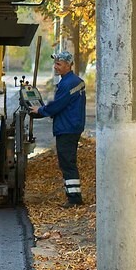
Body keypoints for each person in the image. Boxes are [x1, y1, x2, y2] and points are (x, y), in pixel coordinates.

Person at [31, 49, 87, 207]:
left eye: (59, 64)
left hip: (67, 128)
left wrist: (40, 110)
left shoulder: (67, 84)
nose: (55, 66)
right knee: (68, 162)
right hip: (73, 126)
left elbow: (58, 105)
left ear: (68, 65)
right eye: (54, 63)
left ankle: (74, 199)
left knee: (67, 163)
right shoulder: (77, 81)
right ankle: (73, 196)